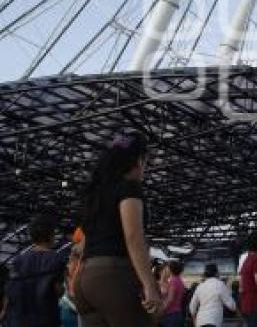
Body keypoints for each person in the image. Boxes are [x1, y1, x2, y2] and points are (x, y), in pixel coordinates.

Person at [74, 130, 162, 326]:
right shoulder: (129, 187)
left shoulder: (94, 195)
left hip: (84, 280)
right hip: (113, 276)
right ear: (138, 160)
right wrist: (150, 285)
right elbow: (133, 237)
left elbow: (81, 244)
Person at [3, 213, 65, 327]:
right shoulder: (57, 259)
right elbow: (58, 290)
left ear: (31, 237)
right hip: (46, 317)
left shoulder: (18, 260)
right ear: (51, 236)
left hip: (21, 318)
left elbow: (9, 292)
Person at [159, 261, 186, 327]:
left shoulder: (173, 281)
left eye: (167, 267)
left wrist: (161, 309)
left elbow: (170, 298)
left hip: (170, 315)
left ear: (170, 269)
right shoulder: (180, 280)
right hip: (178, 313)